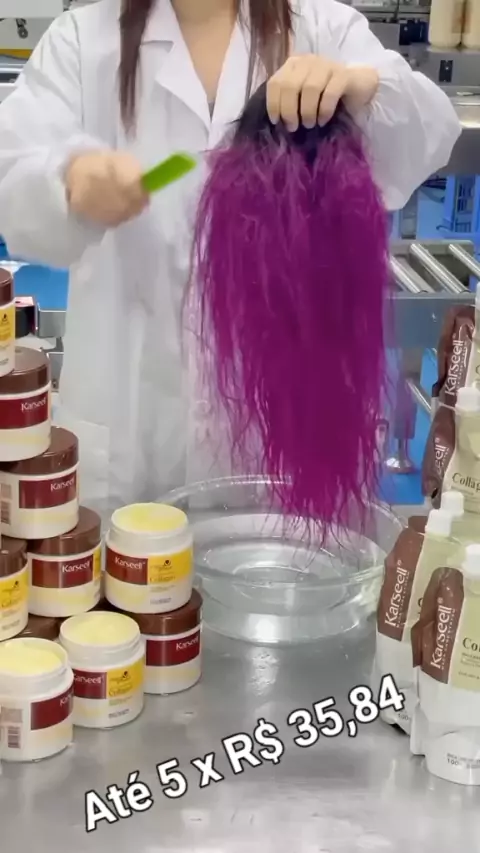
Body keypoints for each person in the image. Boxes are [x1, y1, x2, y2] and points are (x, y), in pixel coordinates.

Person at [0, 0, 461, 511]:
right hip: (132, 454)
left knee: (280, 554)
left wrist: (364, 87)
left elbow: (430, 133)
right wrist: (70, 180)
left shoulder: (320, 27)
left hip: (281, 467)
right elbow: (13, 179)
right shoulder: (81, 43)